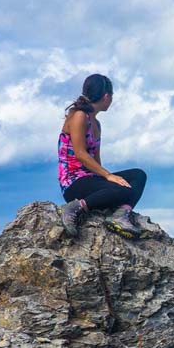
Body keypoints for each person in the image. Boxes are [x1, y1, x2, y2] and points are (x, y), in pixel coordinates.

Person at [57, 73, 148, 238]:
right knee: (121, 188)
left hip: (90, 179)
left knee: (138, 176)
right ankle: (76, 207)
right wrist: (108, 176)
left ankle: (120, 215)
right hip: (73, 182)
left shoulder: (96, 124)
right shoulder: (79, 116)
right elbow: (80, 154)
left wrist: (106, 179)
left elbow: (95, 158)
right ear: (106, 96)